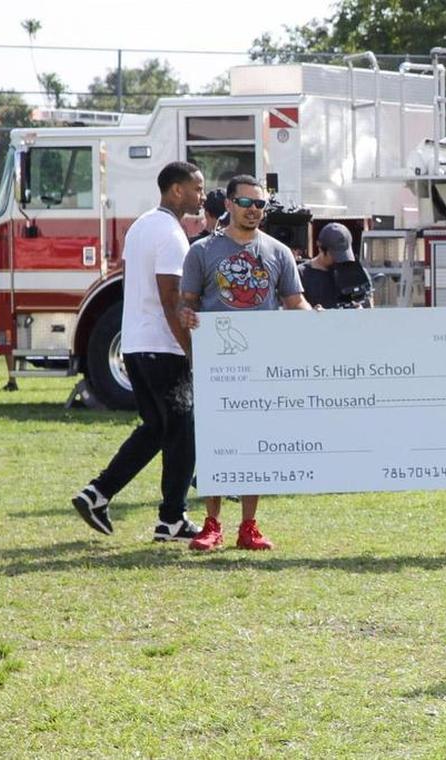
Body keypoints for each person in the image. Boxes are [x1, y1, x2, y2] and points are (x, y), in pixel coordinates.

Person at [71, 161, 206, 542]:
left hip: (134, 345)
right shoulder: (171, 234)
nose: (201, 195)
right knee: (183, 431)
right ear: (176, 190)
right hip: (162, 348)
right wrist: (190, 348)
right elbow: (171, 298)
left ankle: (97, 494)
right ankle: (172, 519)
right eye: (196, 188)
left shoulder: (141, 226)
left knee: (157, 428)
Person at [180, 175, 314, 551]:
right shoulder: (202, 251)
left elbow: (295, 302)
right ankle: (212, 524)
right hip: (217, 366)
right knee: (215, 443)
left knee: (255, 444)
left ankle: (249, 526)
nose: (253, 210)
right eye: (245, 203)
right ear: (228, 204)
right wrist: (185, 316)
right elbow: (186, 302)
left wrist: (319, 322)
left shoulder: (278, 252)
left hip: (261, 366)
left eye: (260, 204)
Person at [298, 223, 370, 309]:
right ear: (320, 247)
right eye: (335, 255)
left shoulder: (357, 273)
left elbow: (369, 308)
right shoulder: (302, 274)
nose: (339, 260)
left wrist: (361, 308)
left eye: (344, 255)